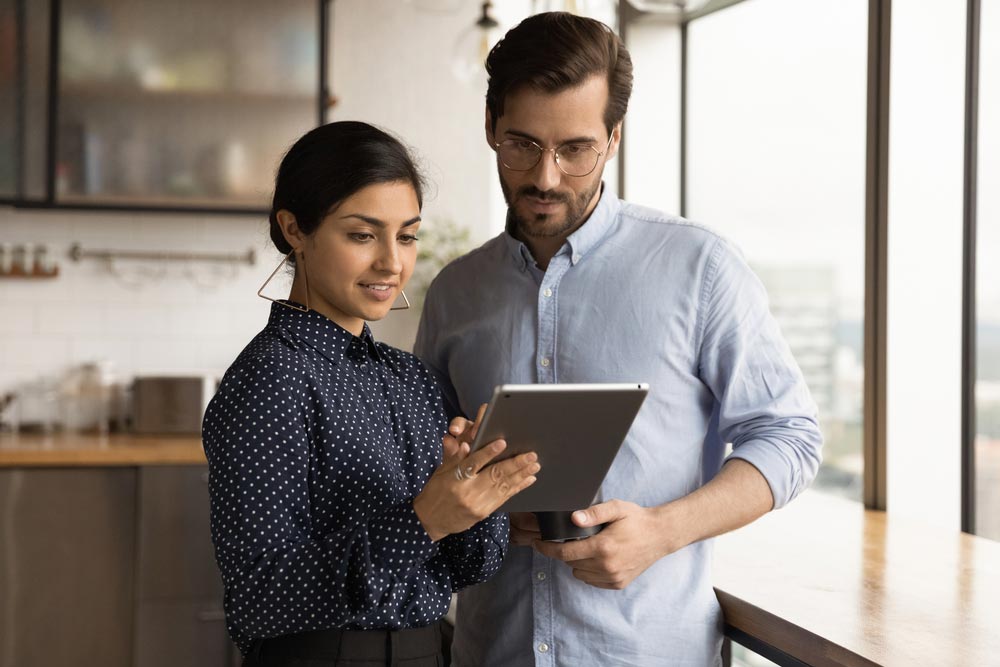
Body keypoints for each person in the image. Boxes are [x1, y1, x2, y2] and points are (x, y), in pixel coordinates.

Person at [414, 12, 824, 667]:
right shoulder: (454, 292)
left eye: (575, 148)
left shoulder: (700, 266)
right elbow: (421, 467)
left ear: (613, 138)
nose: (546, 177)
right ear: (490, 127)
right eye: (522, 143)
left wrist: (662, 531)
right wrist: (481, 508)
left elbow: (791, 436)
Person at [202, 121, 541, 667]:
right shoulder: (270, 379)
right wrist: (424, 519)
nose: (392, 262)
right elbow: (260, 596)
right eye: (362, 235)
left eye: (406, 235)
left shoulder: (409, 378)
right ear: (294, 229)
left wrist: (473, 501)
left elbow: (467, 567)